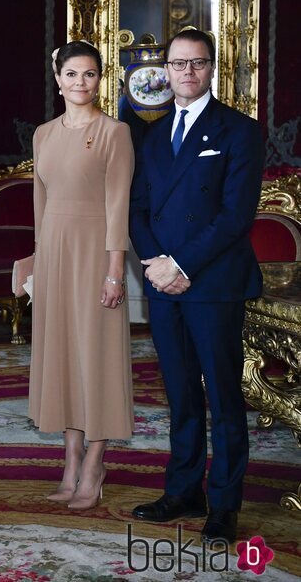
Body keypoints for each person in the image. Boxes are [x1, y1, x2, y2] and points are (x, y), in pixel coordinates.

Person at [129, 29, 264, 544]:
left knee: (224, 397)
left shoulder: (239, 131)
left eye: (197, 63)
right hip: (163, 282)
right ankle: (184, 490)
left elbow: (235, 217)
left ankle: (225, 505)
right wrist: (154, 261)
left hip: (213, 283)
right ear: (165, 69)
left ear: (211, 69)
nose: (187, 72)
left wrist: (180, 263)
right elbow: (138, 208)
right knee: (181, 394)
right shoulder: (153, 134)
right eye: (178, 64)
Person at [28, 41, 135, 510]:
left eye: (89, 74)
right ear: (58, 79)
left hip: (96, 253)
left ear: (100, 79)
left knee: (98, 356)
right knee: (64, 357)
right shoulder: (43, 134)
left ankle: (95, 462)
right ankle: (70, 461)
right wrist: (36, 263)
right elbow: (40, 204)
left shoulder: (115, 132)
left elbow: (118, 205)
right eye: (71, 74)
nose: (80, 83)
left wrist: (115, 272)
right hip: (54, 253)